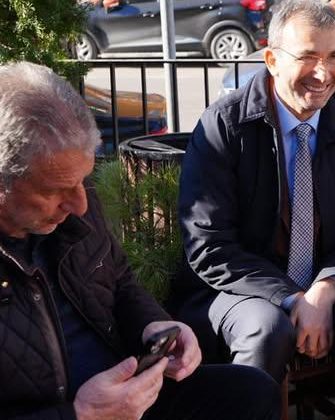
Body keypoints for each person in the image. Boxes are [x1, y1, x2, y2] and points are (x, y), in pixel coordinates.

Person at [0, 61, 281, 420]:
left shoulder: (72, 194)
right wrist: (80, 415)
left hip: (129, 396)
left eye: (82, 180)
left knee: (250, 392)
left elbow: (119, 282)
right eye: (56, 190)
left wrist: (156, 325)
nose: (80, 203)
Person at [174, 0, 335, 418]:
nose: (324, 73)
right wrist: (292, 298)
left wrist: (324, 289)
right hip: (240, 288)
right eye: (308, 57)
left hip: (329, 280)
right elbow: (209, 244)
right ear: (272, 60)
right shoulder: (223, 124)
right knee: (266, 329)